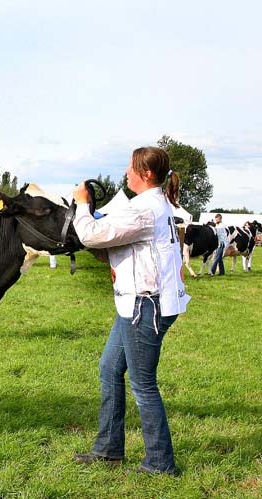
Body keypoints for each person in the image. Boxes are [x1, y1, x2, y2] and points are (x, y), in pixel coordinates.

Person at [71, 147, 190, 475]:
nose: (126, 171)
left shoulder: (143, 209)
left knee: (143, 383)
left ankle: (160, 463)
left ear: (146, 174)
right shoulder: (155, 204)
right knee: (110, 368)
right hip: (140, 303)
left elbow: (91, 235)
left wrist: (82, 202)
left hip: (144, 306)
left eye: (131, 167)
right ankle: (109, 449)